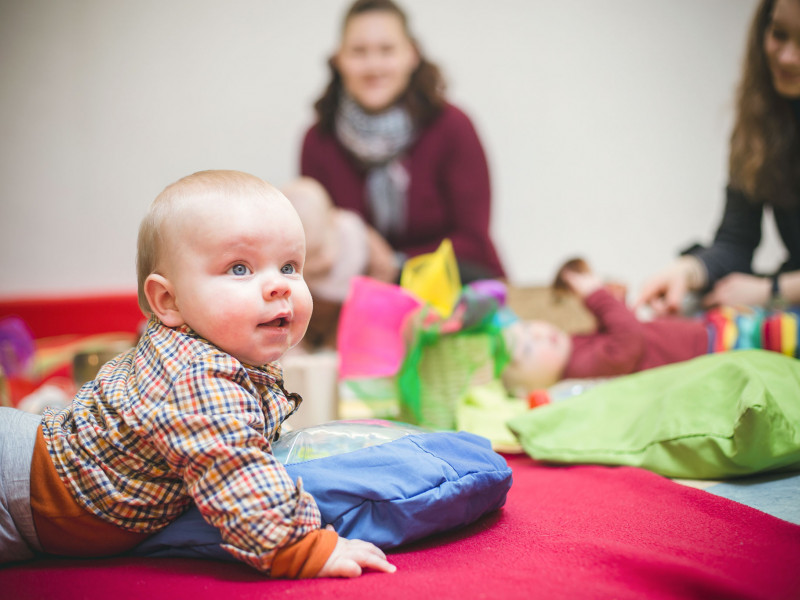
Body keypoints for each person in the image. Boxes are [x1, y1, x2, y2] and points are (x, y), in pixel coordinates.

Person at [0, 170, 395, 579]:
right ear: (168, 300)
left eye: (290, 266)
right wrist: (303, 547)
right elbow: (238, 477)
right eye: (239, 268)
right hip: (21, 493)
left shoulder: (224, 348)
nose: (279, 286)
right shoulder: (198, 374)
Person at [300, 0, 506, 284]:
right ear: (338, 59)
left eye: (387, 50)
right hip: (359, 296)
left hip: (459, 289)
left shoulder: (452, 127)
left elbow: (473, 241)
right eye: (359, 52)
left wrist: (395, 263)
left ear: (412, 54)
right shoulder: (318, 141)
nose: (373, 66)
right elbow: (317, 240)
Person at [637, 0, 800, 315]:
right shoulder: (763, 121)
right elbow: (736, 242)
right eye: (779, 34)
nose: (787, 57)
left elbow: (764, 290)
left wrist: (772, 290)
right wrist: (687, 271)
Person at [501, 258, 800, 397]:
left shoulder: (576, 349)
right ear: (535, 386)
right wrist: (596, 296)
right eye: (528, 349)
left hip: (707, 331)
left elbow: (616, 338)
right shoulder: (577, 369)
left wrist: (614, 302)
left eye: (528, 328)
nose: (537, 334)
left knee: (765, 320)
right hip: (716, 347)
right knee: (779, 334)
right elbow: (628, 344)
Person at [281, 177, 399, 350]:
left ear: (332, 220)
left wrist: (364, 299)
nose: (318, 264)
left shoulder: (355, 234)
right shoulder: (282, 255)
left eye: (319, 252)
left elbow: (386, 267)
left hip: (352, 311)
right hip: (311, 319)